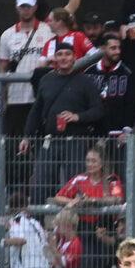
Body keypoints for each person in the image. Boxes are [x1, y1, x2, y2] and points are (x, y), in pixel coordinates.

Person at [20, 42, 104, 203]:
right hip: (50, 141)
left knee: (76, 184)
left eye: (67, 54)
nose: (63, 58)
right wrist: (27, 136)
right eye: (60, 54)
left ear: (74, 57)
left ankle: (75, 218)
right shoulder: (46, 80)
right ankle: (38, 218)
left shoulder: (86, 81)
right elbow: (36, 111)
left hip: (76, 142)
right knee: (40, 184)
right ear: (55, 59)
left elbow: (98, 110)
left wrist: (77, 117)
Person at [53, 144, 125, 268]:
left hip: (104, 229)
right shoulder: (79, 179)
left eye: (94, 160)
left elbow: (117, 198)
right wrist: (74, 201)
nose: (90, 164)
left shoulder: (111, 179)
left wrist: (93, 201)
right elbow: (58, 197)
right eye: (88, 160)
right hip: (84, 229)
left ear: (102, 163)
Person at [0, 0, 55, 137]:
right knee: (15, 140)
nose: (26, 10)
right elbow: (2, 67)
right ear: (17, 7)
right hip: (15, 97)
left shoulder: (49, 30)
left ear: (35, 7)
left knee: (40, 138)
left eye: (28, 6)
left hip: (41, 95)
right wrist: (3, 97)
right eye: (23, 6)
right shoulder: (7, 35)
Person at [84, 32, 135, 136]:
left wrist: (126, 130)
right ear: (103, 49)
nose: (118, 51)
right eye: (113, 48)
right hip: (92, 133)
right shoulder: (89, 72)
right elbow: (83, 101)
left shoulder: (127, 73)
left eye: (119, 48)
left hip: (118, 134)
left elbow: (132, 104)